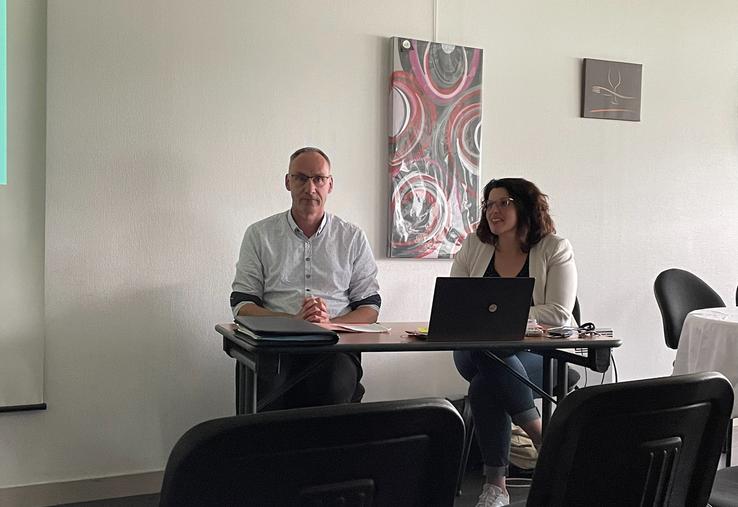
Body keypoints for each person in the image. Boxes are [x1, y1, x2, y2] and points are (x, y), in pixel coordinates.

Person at [451, 177, 577, 507]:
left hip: (539, 353)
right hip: (473, 350)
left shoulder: (555, 248)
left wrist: (500, 316)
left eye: (503, 203)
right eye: (489, 204)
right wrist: (496, 320)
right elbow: (455, 303)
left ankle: (495, 487)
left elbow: (560, 313)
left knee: (485, 385)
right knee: (489, 353)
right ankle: (544, 439)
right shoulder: (473, 247)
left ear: (525, 206)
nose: (494, 210)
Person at [230, 147, 381, 409]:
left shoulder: (352, 237)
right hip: (274, 348)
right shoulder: (259, 235)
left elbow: (370, 308)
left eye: (318, 179)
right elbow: (242, 306)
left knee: (332, 385)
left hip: (335, 348)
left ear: (330, 184)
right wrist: (293, 323)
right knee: (271, 401)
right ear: (287, 182)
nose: (310, 188)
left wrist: (329, 324)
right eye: (300, 178)